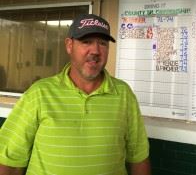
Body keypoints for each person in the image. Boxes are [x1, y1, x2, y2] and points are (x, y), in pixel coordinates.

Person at [0, 14, 151, 175]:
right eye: (86, 42)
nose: (95, 51)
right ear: (69, 45)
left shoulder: (124, 94)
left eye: (102, 43)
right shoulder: (39, 94)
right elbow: (11, 163)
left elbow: (138, 157)